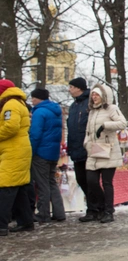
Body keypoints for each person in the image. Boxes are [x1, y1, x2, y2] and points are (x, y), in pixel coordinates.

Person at [83, 84, 127, 223]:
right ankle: (101, 207)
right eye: (93, 95)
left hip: (108, 148)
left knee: (107, 182)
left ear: (103, 96)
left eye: (97, 95)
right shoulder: (92, 112)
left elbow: (122, 123)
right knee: (91, 181)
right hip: (94, 150)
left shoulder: (111, 109)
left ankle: (108, 211)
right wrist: (86, 143)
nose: (94, 97)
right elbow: (88, 131)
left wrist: (105, 125)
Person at [0, 79, 35, 236]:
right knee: (19, 187)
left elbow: (10, 127)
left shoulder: (10, 105)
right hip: (18, 149)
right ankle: (26, 221)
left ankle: (1, 225)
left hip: (13, 151)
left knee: (6, 187)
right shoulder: (17, 103)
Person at [29, 88, 66, 223]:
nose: (32, 100)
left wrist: (31, 152)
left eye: (33, 98)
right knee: (52, 182)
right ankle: (59, 213)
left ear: (38, 98)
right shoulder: (55, 111)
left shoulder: (39, 112)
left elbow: (36, 135)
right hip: (53, 152)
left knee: (42, 184)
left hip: (41, 153)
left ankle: (43, 214)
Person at [67, 77, 91, 217]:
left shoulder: (88, 103)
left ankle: (95, 208)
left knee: (90, 181)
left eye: (71, 87)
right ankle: (92, 207)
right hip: (76, 147)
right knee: (81, 179)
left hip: (87, 147)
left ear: (78, 88)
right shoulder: (73, 105)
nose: (69, 90)